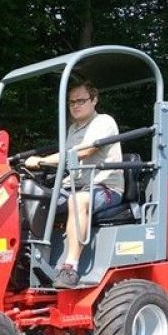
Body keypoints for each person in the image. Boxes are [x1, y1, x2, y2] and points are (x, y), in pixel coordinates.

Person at [25, 81, 123, 288]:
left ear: (94, 100)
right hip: (75, 186)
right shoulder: (74, 128)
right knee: (32, 197)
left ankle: (70, 268)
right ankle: (28, 259)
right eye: (71, 102)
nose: (75, 106)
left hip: (105, 188)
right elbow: (67, 158)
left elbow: (84, 152)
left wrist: (41, 160)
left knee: (77, 200)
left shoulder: (104, 122)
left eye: (81, 100)